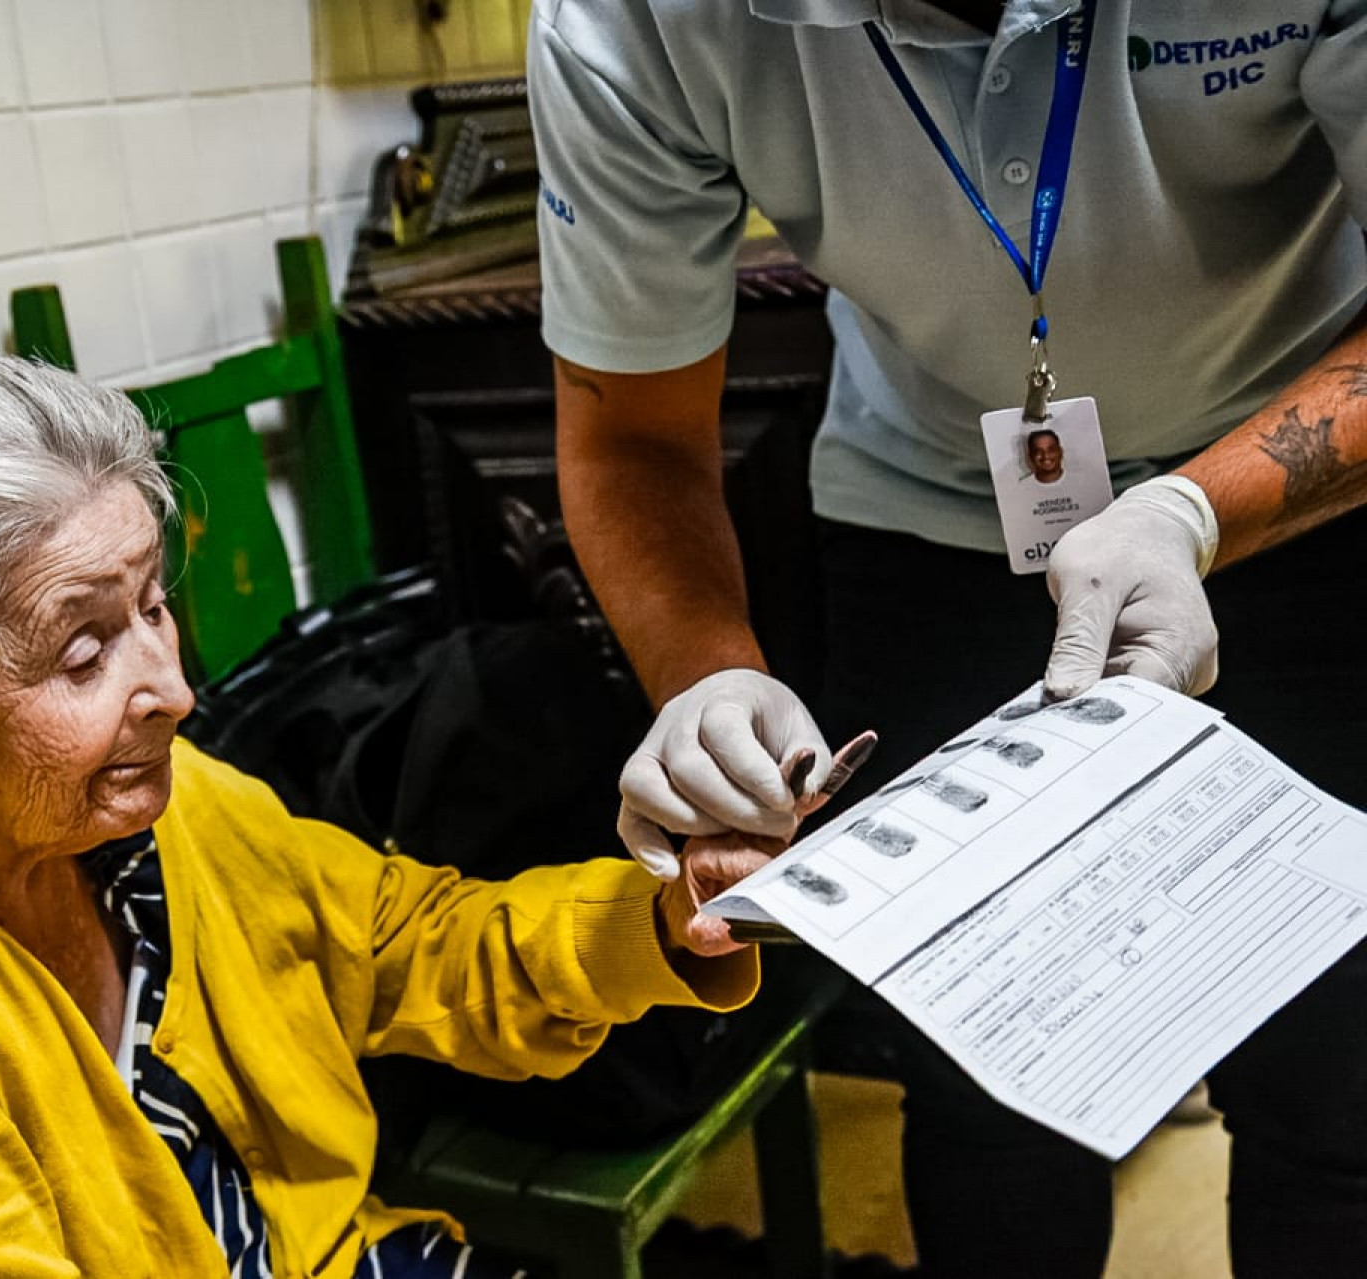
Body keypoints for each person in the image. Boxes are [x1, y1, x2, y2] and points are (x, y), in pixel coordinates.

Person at [529, 2, 1367, 1276]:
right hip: (929, 510)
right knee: (986, 1083)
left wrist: (1194, 509)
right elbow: (631, 437)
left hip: (1305, 482)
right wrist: (705, 675)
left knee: (1338, 1074)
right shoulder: (632, 18)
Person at [0, 350, 778, 1278]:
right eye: (86, 649)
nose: (175, 687)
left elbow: (414, 945)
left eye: (155, 605)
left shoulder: (160, 809)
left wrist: (668, 916)